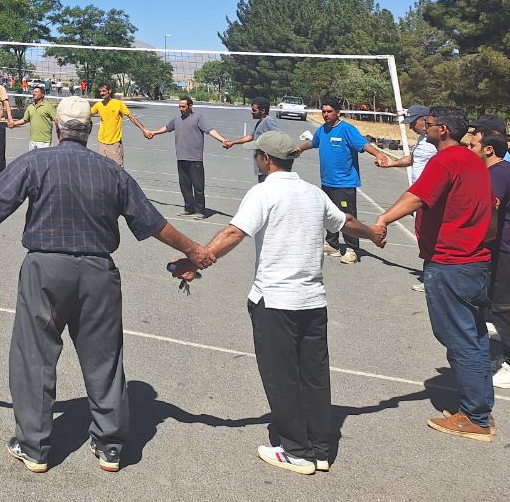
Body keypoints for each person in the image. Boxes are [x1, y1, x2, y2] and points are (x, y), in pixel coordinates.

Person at [0, 97, 215, 474]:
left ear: (58, 128)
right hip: (98, 273)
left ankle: (34, 446)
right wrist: (193, 250)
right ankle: (110, 446)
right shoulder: (112, 172)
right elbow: (153, 222)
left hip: (46, 269)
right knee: (104, 358)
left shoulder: (35, 162)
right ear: (89, 131)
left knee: (34, 356)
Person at [170, 132, 386, 476]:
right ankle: (320, 448)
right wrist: (373, 233)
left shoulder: (264, 192)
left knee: (281, 376)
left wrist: (197, 260)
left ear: (265, 159)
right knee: (314, 376)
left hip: (275, 301)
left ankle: (296, 451)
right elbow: (346, 223)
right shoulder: (313, 193)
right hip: (312, 301)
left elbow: (234, 233)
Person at [373, 107, 495, 442]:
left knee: (459, 339)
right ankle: (480, 408)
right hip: (474, 261)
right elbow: (490, 210)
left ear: (442, 130)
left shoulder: (446, 160)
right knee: (474, 337)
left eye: (428, 124)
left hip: (451, 263)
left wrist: (383, 219)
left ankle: (475, 417)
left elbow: (416, 196)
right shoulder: (474, 161)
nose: (423, 128)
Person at [292, 98, 392, 265]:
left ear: (337, 113)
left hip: (344, 183)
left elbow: (363, 144)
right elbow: (314, 143)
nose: (325, 114)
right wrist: (300, 149)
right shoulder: (322, 129)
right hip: (327, 181)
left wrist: (378, 154)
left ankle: (353, 249)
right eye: (323, 112)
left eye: (329, 111)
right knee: (329, 213)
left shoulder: (347, 129)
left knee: (347, 217)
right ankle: (332, 244)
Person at [375, 104, 438, 291]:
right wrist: (392, 164)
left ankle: (433, 279)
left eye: (413, 123)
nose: (410, 127)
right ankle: (430, 277)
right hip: (419, 196)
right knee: (424, 237)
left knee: (431, 238)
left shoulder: (436, 142)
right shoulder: (422, 139)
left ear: (424, 120)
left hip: (430, 197)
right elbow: (413, 159)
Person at [148, 96, 230, 219]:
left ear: (190, 106)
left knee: (198, 187)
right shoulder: (177, 119)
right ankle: (189, 208)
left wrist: (222, 140)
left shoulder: (198, 118)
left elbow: (210, 130)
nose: (181, 109)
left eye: (183, 106)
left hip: (195, 158)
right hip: (181, 157)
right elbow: (167, 128)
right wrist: (154, 132)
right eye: (179, 106)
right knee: (185, 186)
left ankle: (200, 211)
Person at [474, 129, 510, 389]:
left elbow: (489, 205)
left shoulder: (497, 173)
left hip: (505, 248)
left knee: (503, 307)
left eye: (473, 145)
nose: (469, 149)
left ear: (488, 150)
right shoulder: (501, 170)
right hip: (502, 246)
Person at [89, 83, 154, 168]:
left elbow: (131, 117)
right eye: (100, 91)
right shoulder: (98, 105)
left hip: (114, 144)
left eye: (104, 91)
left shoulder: (118, 104)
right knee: (103, 169)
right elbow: (87, 113)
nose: (101, 93)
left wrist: (143, 129)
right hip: (102, 143)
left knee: (117, 170)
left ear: (109, 91)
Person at [224, 99, 287, 184]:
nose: (251, 112)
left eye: (254, 110)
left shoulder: (269, 121)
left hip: (267, 167)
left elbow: (279, 136)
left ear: (263, 111)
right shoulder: (260, 122)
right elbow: (251, 136)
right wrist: (232, 142)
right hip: (261, 166)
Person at [9, 85, 57, 152]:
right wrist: (13, 123)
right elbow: (24, 120)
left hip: (45, 142)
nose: (34, 93)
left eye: (36, 92)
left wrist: (60, 134)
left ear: (42, 95)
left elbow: (56, 120)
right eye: (33, 92)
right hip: (33, 141)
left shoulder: (48, 106)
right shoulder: (30, 107)